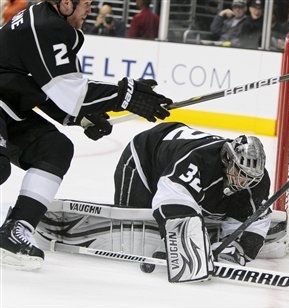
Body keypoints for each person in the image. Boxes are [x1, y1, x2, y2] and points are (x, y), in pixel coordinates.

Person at [0, 0, 171, 270]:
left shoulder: (47, 22)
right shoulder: (47, 27)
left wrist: (79, 117)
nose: (89, 10)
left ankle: (15, 230)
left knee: (53, 148)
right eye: (87, 4)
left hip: (8, 108)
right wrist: (127, 96)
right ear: (66, 3)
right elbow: (74, 94)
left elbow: (48, 90)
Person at [113, 122, 271, 282]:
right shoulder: (199, 161)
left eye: (251, 178)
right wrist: (183, 247)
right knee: (132, 224)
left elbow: (254, 227)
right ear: (228, 159)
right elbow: (172, 198)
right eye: (240, 173)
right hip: (147, 155)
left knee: (221, 200)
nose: (244, 182)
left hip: (179, 160)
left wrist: (236, 248)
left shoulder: (257, 182)